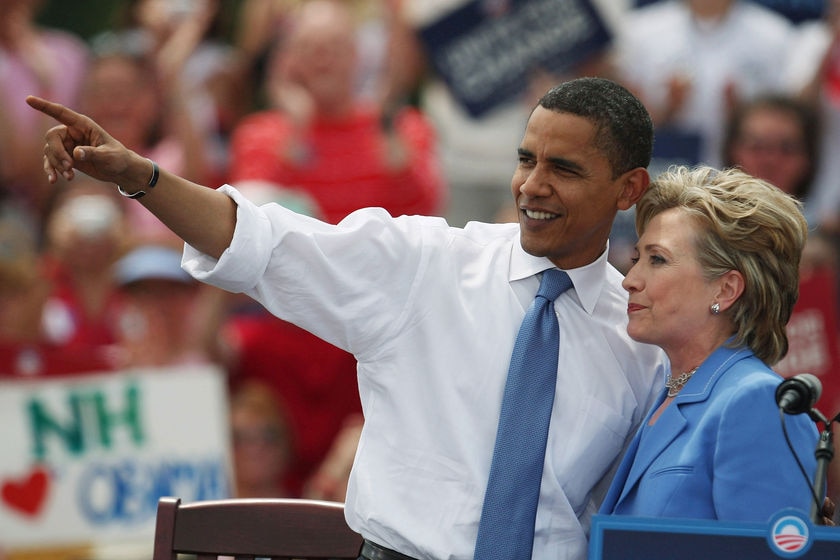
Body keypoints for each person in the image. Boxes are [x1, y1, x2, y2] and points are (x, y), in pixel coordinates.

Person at [28, 76, 668, 560]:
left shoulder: (646, 337)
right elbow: (261, 241)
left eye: (564, 169)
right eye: (527, 159)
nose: (532, 185)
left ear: (629, 189)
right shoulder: (428, 261)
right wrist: (139, 176)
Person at [599, 165, 820, 522]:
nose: (630, 280)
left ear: (726, 289)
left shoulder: (757, 402)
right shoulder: (669, 389)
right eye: (637, 258)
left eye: (657, 259)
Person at [229, 0, 445, 225]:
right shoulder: (258, 134)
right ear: (289, 58)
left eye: (335, 47)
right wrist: (297, 133)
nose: (323, 61)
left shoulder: (404, 126)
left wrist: (387, 126)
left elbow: (423, 212)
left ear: (356, 54)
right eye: (310, 48)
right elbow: (250, 219)